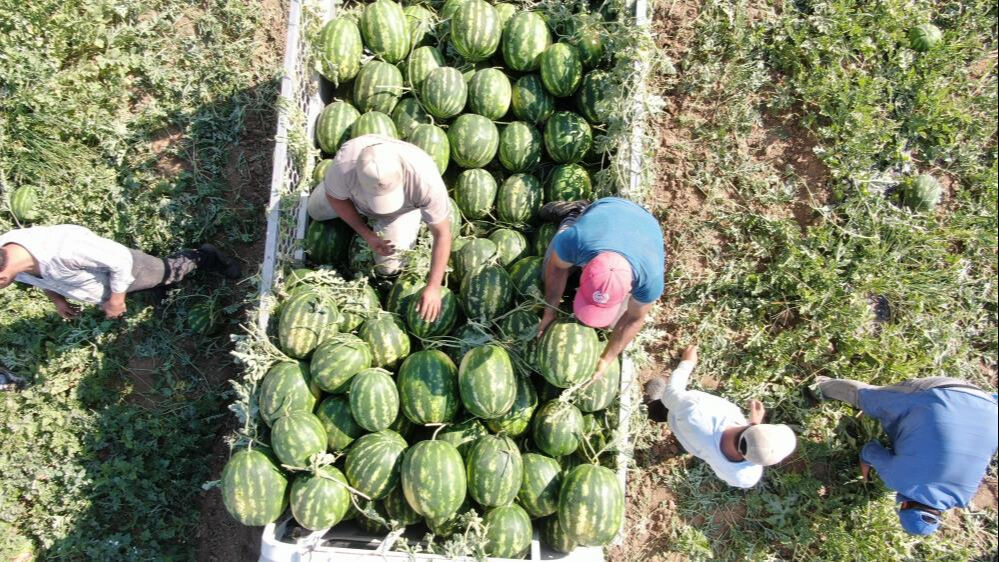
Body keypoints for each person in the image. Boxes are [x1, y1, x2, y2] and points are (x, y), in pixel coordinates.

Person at [812, 375, 999, 535]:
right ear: (904, 506)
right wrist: (865, 468)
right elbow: (870, 450)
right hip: (940, 394)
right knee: (869, 398)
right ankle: (820, 385)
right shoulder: (902, 481)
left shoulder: (964, 497)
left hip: (990, 409)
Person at [306, 134, 451, 322]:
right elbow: (335, 199)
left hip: (401, 212)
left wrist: (433, 286)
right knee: (314, 210)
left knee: (388, 268)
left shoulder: (425, 180)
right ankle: (351, 205)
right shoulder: (345, 163)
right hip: (354, 200)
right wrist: (366, 234)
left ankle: (415, 216)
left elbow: (442, 235)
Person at [536, 197, 665, 379]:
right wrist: (549, 311)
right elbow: (557, 268)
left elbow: (634, 319)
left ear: (629, 288)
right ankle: (573, 213)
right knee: (547, 273)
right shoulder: (576, 241)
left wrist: (607, 358)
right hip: (609, 209)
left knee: (611, 325)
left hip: (644, 225)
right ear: (584, 269)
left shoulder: (650, 280)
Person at [0, 224, 240, 319]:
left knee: (170, 271)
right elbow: (39, 279)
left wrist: (116, 301)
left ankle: (207, 256)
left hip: (129, 267)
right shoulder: (10, 260)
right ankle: (159, 287)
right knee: (147, 285)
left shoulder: (65, 250)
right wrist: (57, 299)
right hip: (106, 282)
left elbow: (120, 262)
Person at [644, 345, 797, 488]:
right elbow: (749, 448)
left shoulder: (696, 413)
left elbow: (671, 395)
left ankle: (653, 406)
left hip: (678, 418)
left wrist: (687, 363)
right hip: (698, 445)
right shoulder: (746, 478)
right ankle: (682, 445)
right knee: (693, 443)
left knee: (662, 406)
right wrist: (754, 426)